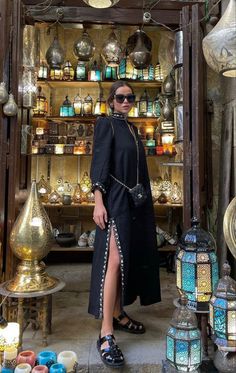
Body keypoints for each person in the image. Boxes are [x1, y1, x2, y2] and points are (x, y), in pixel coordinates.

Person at [89, 81, 161, 368]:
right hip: (114, 199)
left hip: (134, 201)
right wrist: (98, 200)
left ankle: (119, 314)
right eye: (121, 98)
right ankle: (105, 332)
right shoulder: (105, 124)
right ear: (111, 100)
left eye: (130, 97)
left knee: (127, 259)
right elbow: (99, 163)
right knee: (114, 260)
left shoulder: (132, 129)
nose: (126, 102)